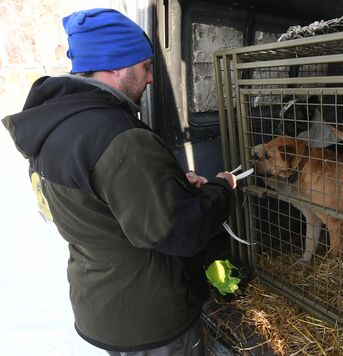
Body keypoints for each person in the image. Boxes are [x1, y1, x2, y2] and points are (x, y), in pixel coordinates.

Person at [2, 8, 237, 356]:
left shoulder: (52, 127)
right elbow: (180, 231)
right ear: (114, 66)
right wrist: (222, 189)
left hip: (102, 304)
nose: (151, 79)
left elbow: (90, 206)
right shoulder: (118, 135)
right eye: (145, 67)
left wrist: (167, 184)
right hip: (152, 317)